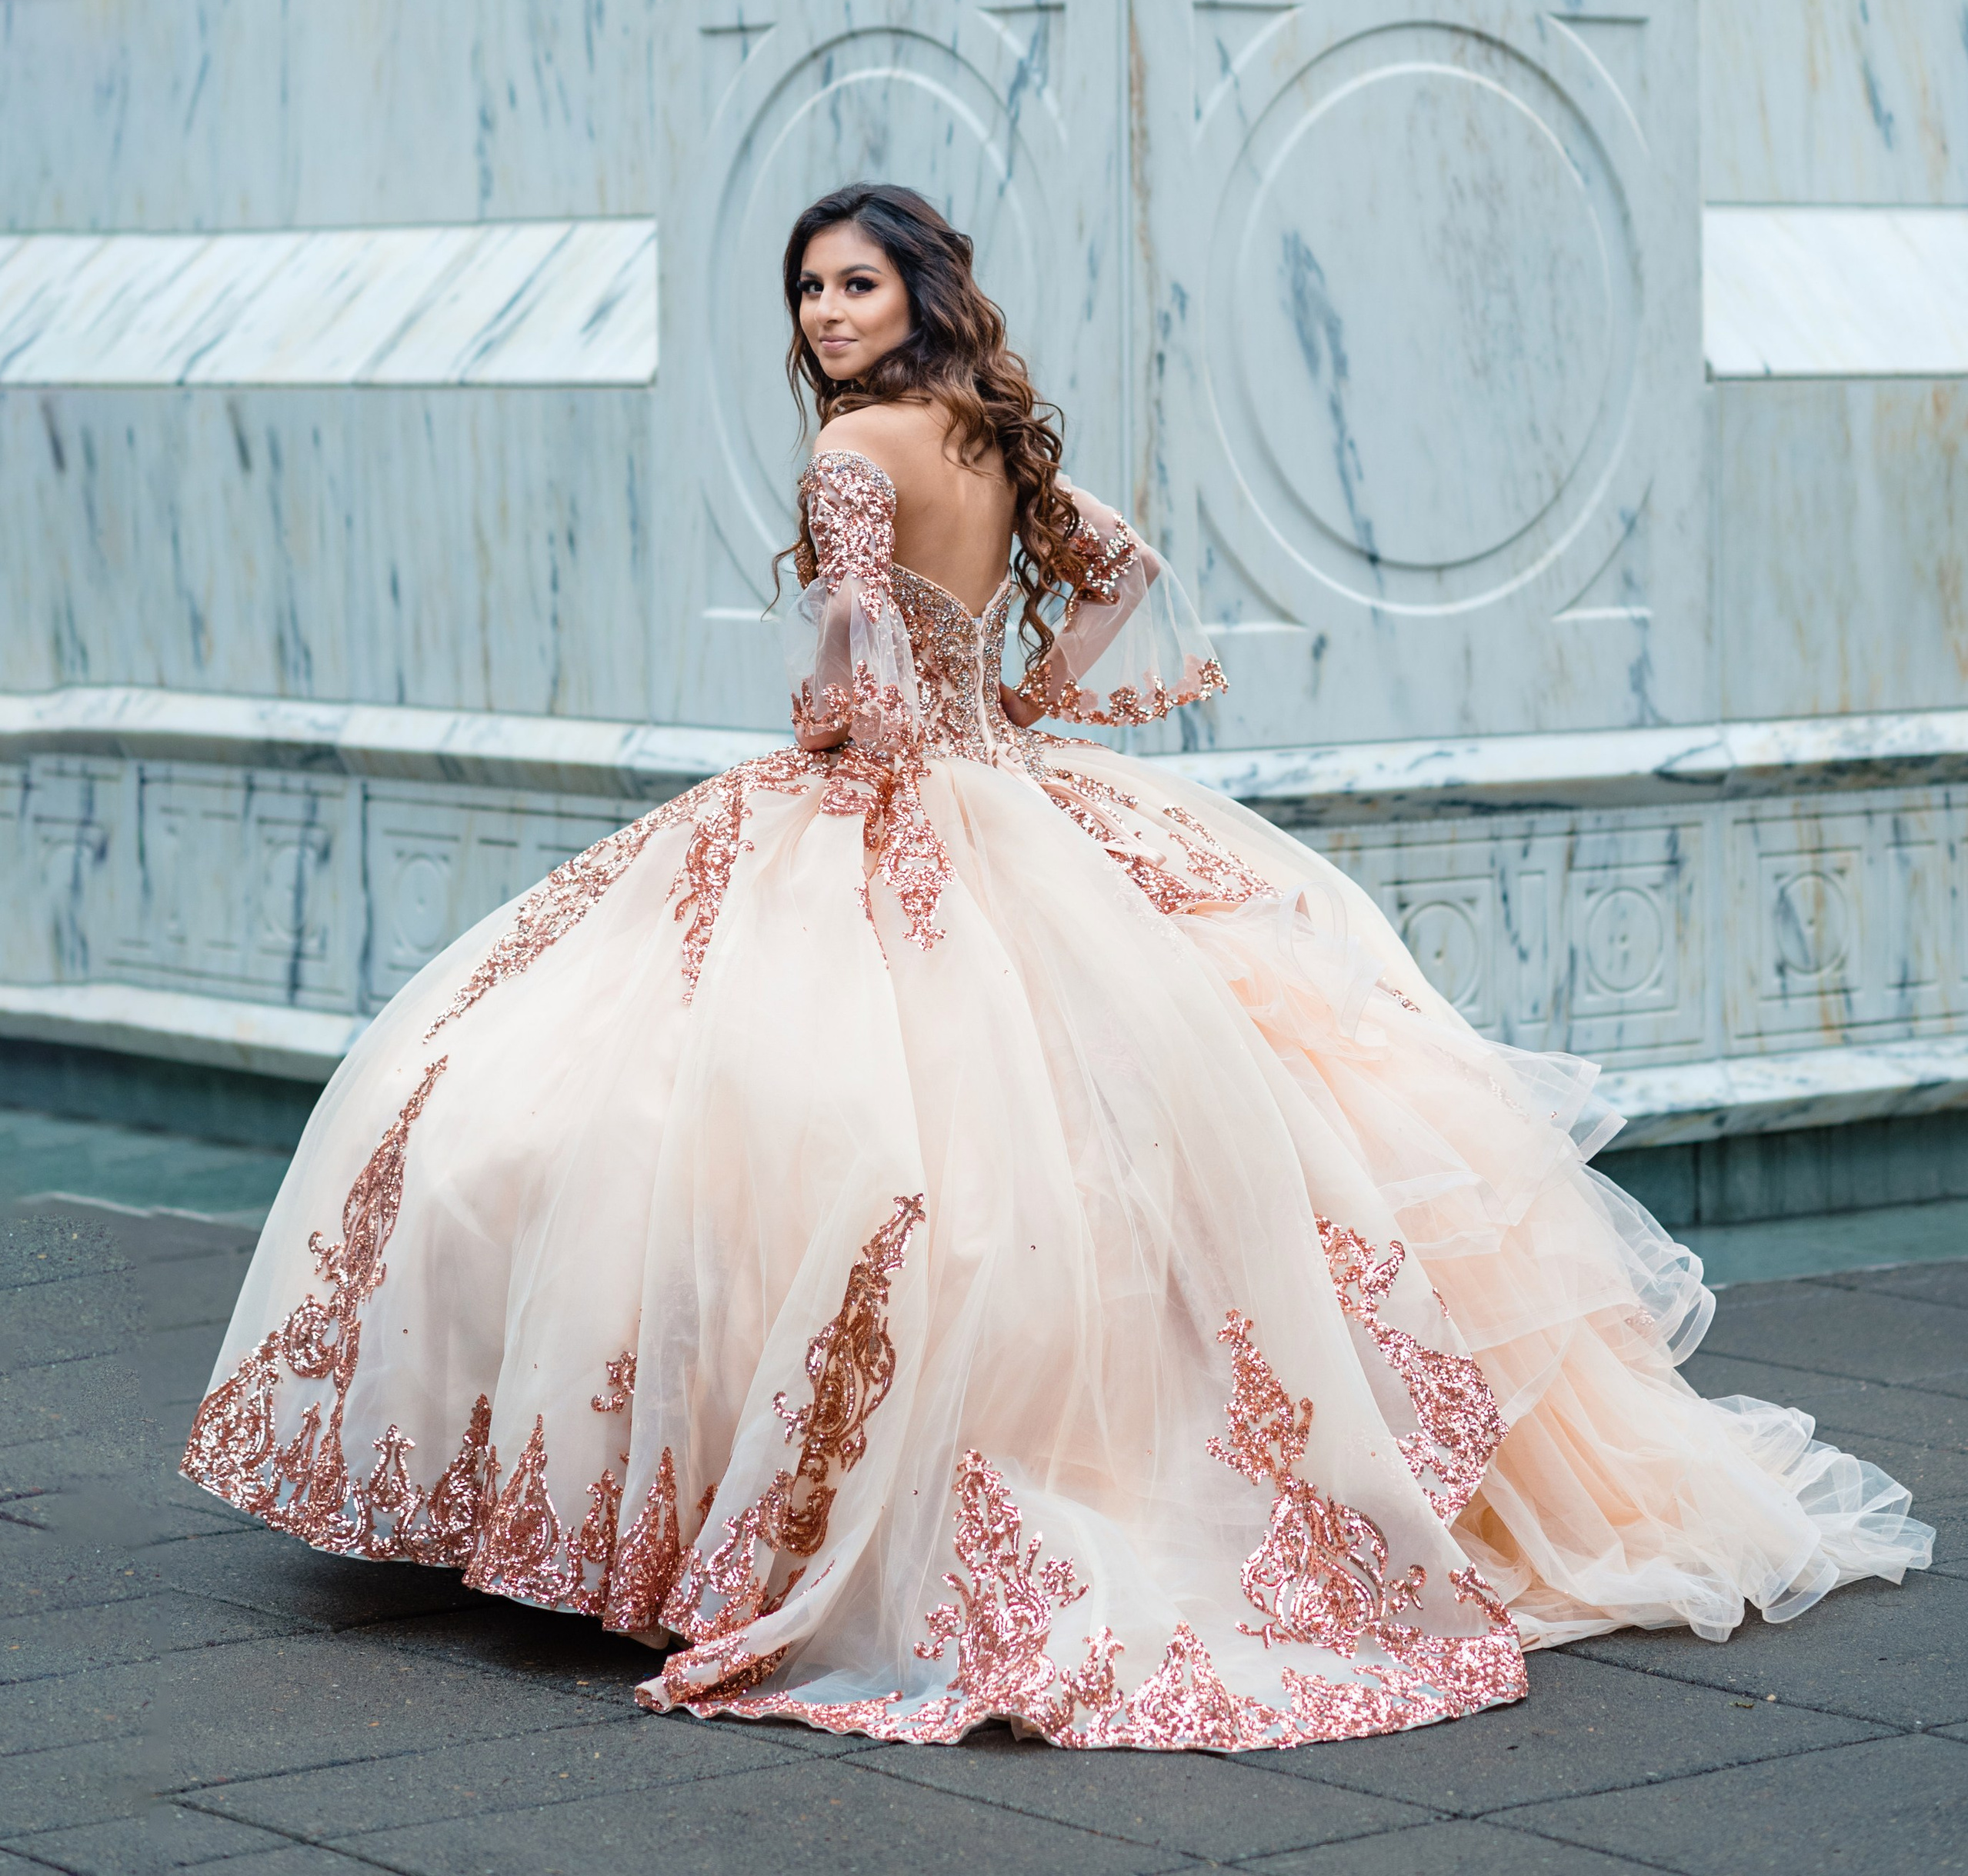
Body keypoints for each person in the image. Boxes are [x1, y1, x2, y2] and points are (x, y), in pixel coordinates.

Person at [183, 183, 1930, 1750]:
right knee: (1080, 1141)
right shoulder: (992, 433)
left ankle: (740, 1510)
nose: (822, 317)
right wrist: (1012, 709)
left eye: (853, 285)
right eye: (806, 291)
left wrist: (857, 724)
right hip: (1015, 798)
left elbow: (856, 648)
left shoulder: (852, 450)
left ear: (918, 289)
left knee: (698, 1115)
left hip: (892, 804)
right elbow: (1123, 572)